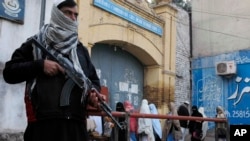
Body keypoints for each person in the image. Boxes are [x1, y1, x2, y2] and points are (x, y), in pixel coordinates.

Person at [3, 0, 102, 141]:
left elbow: (93, 81)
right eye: (68, 13)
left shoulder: (80, 50)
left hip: (76, 129)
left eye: (76, 15)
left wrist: (93, 95)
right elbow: (9, 72)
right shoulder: (35, 44)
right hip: (42, 128)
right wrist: (40, 65)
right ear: (57, 14)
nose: (73, 18)